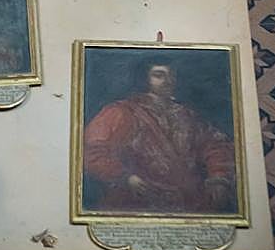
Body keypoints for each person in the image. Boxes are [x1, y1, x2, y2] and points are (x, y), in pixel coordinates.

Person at [83, 62, 236, 214]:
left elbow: (216, 145)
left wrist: (218, 177)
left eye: (171, 76)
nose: (168, 81)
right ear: (144, 79)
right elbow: (91, 151)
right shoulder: (119, 112)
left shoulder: (187, 114)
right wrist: (124, 177)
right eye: (159, 75)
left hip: (189, 203)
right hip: (136, 202)